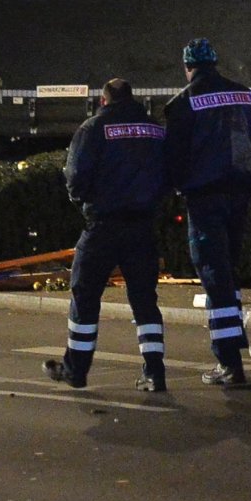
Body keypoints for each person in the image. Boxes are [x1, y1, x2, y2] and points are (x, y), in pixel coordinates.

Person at [161, 38, 251, 386]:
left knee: (214, 274)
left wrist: (178, 187)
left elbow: (173, 159)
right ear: (215, 63)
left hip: (205, 198)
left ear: (188, 67)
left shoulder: (182, 104)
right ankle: (231, 353)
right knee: (228, 272)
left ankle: (229, 363)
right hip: (240, 195)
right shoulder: (245, 95)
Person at [45, 79, 171, 393]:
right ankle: (155, 373)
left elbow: (75, 179)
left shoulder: (93, 128)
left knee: (85, 297)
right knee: (145, 302)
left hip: (103, 225)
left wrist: (89, 203)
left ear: (104, 101)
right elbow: (169, 174)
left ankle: (76, 371)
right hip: (142, 226)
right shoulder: (155, 129)